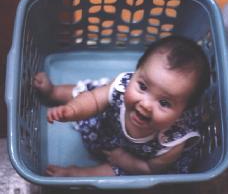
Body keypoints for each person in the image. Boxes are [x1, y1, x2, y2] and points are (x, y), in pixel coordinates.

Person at [34, 35, 210, 177]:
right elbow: (94, 100)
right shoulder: (123, 87)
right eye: (142, 86)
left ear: (183, 111)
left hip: (135, 157)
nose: (146, 104)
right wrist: (72, 110)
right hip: (109, 124)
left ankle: (76, 173)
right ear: (136, 72)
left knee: (120, 173)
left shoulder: (173, 142)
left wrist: (124, 160)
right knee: (90, 90)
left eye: (164, 103)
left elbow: (150, 169)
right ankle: (54, 92)